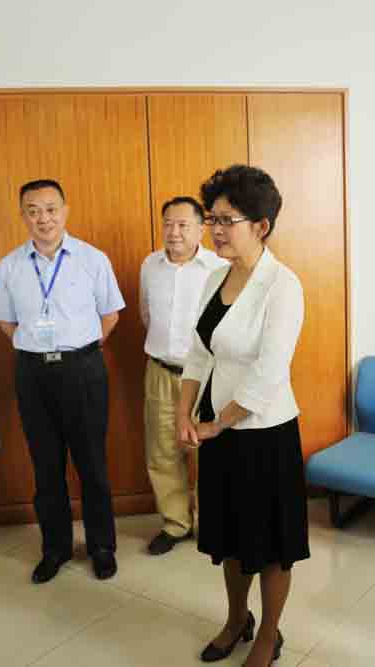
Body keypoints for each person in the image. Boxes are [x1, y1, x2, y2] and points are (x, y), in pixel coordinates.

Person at [177, 165, 308, 667]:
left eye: (227, 220)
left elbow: (268, 373)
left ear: (262, 226)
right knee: (229, 537)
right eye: (212, 218)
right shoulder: (216, 276)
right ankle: (237, 620)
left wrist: (215, 423)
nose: (215, 229)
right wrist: (184, 412)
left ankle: (269, 635)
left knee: (271, 545)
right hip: (218, 430)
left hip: (264, 434)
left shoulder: (282, 285)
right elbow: (199, 353)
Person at [0, 179, 125, 583]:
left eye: (50, 209)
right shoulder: (10, 265)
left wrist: (77, 351)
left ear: (65, 212)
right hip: (32, 373)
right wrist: (38, 349)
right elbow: (5, 321)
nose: (43, 218)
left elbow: (111, 315)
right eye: (33, 211)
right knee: (45, 465)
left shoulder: (92, 259)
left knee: (92, 464)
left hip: (83, 369)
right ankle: (55, 548)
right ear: (23, 216)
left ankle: (102, 546)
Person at [140, 196, 228, 555]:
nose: (173, 232)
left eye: (182, 225)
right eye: (167, 224)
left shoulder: (219, 267)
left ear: (201, 229)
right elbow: (147, 315)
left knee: (209, 451)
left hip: (206, 374)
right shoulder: (150, 265)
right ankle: (175, 524)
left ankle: (212, 524)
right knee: (162, 450)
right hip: (160, 371)